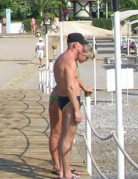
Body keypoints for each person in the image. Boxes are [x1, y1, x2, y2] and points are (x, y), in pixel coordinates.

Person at [49, 41, 93, 177]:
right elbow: (70, 87)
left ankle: (63, 169)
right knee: (63, 136)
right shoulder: (69, 61)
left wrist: (84, 88)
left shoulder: (65, 59)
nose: (85, 60)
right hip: (67, 99)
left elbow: (75, 78)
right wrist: (77, 110)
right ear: (76, 45)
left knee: (64, 136)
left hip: (64, 98)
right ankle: (63, 170)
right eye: (86, 57)